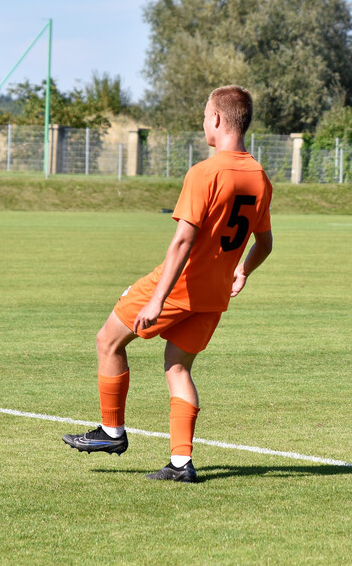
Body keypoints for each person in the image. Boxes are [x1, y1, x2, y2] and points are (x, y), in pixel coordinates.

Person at [62, 85, 274, 483]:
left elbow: (183, 240)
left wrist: (157, 300)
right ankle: (181, 464)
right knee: (178, 368)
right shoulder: (259, 177)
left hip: (179, 285)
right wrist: (242, 271)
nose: (203, 122)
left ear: (216, 119)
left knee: (107, 341)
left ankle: (111, 432)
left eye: (204, 114)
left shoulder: (205, 172)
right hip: (213, 296)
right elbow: (265, 242)